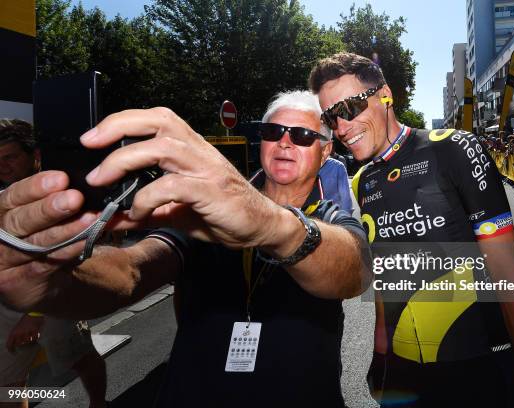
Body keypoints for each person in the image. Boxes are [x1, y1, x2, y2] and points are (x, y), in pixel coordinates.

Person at [0, 92, 372, 407]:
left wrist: (270, 223)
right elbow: (133, 269)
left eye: (304, 135)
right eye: (274, 132)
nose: (286, 142)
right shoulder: (206, 213)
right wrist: (54, 283)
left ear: (325, 154)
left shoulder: (331, 218)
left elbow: (352, 270)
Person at [309, 52, 514, 407]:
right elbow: (387, 281)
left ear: (385, 95)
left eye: (349, 108)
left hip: (478, 367)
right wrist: (381, 353)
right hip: (405, 373)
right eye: (330, 117)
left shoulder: (455, 149)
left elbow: (511, 276)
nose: (340, 127)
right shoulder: (362, 181)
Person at [0, 119, 107, 408]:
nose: (3, 166)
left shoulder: (60, 194)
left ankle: (99, 404)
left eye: (10, 157)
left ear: (34, 157)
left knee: (81, 360)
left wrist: (34, 315)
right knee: (7, 385)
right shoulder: (4, 196)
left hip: (54, 301)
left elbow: (69, 254)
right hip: (11, 305)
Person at [319, 142, 352, 213]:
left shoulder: (338, 166)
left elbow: (345, 198)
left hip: (332, 217)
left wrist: (345, 219)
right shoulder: (303, 168)